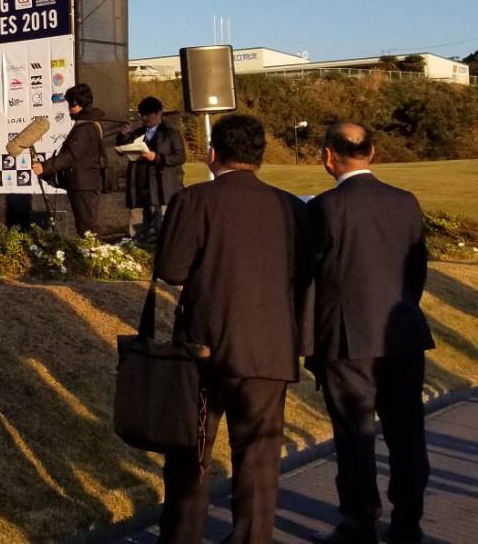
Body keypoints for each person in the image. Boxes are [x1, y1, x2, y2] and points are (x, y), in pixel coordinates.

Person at [154, 113, 309, 544]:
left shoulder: (194, 199)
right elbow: (306, 273)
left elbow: (171, 268)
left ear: (212, 154)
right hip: (271, 346)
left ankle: (182, 536)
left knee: (191, 452)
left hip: (205, 346)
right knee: (259, 457)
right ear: (260, 156)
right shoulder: (293, 208)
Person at [306, 123, 435, 544]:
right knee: (407, 432)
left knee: (355, 435)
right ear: (372, 152)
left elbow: (311, 278)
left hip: (347, 337)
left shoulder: (324, 207)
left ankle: (360, 521)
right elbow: (416, 269)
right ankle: (408, 520)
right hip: (402, 333)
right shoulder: (405, 201)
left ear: (328, 156)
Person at [33, 83, 113, 239]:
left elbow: (70, 156)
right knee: (86, 226)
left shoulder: (84, 128)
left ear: (78, 103)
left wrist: (45, 167)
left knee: (87, 228)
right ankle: (93, 251)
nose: (69, 109)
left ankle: (94, 253)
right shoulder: (91, 124)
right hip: (86, 183)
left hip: (83, 185)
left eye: (71, 104)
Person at [117, 96, 184, 240]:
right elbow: (122, 149)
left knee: (162, 228)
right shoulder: (138, 133)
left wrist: (157, 157)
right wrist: (123, 136)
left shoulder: (170, 134)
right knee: (138, 228)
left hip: (161, 187)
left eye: (148, 115)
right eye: (142, 115)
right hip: (140, 187)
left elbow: (180, 157)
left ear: (159, 113)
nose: (144, 118)